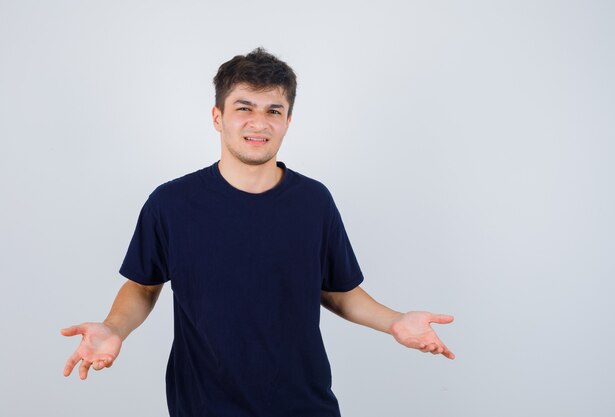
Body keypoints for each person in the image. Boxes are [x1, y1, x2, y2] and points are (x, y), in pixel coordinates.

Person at [61, 47, 455, 417]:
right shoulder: (171, 203)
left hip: (304, 405)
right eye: (243, 108)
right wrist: (114, 328)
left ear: (287, 121)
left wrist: (396, 321)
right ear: (217, 117)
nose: (258, 122)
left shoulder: (314, 202)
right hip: (203, 407)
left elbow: (338, 291)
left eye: (273, 110)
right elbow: (143, 286)